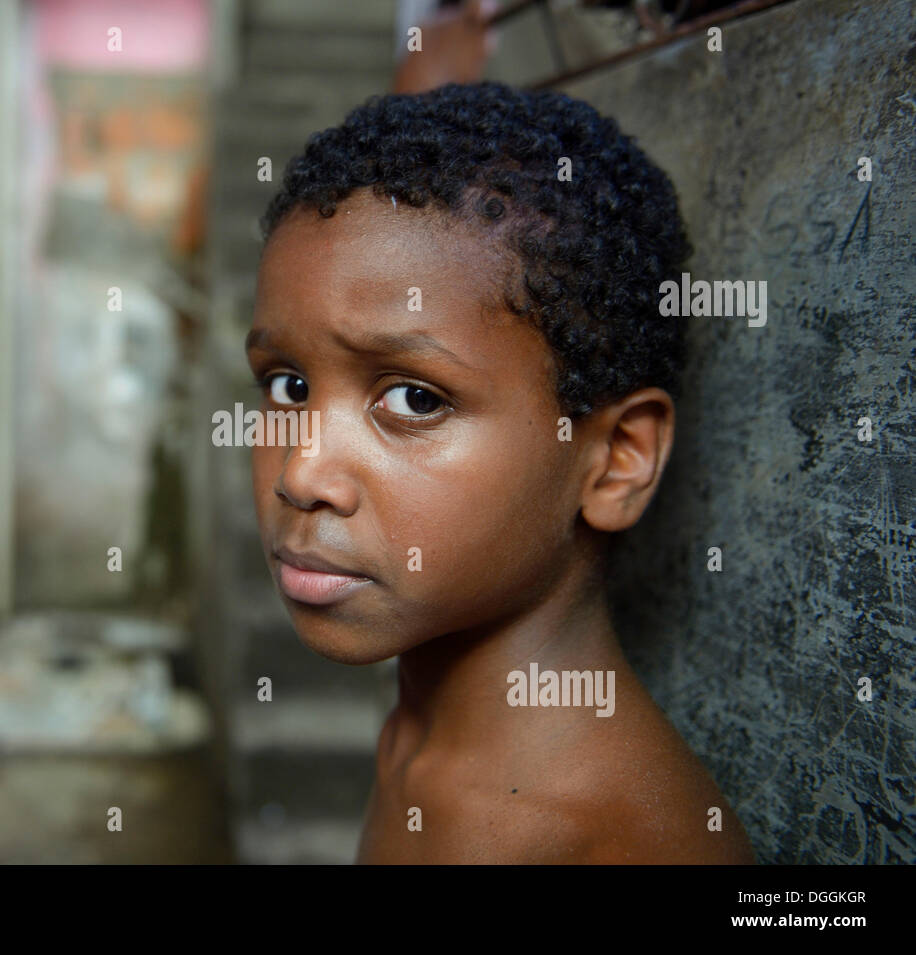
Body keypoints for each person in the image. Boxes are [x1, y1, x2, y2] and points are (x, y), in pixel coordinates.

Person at [245, 81, 756, 863]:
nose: (301, 472)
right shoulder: (421, 743)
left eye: (414, 398)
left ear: (616, 461)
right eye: (287, 385)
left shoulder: (620, 839)